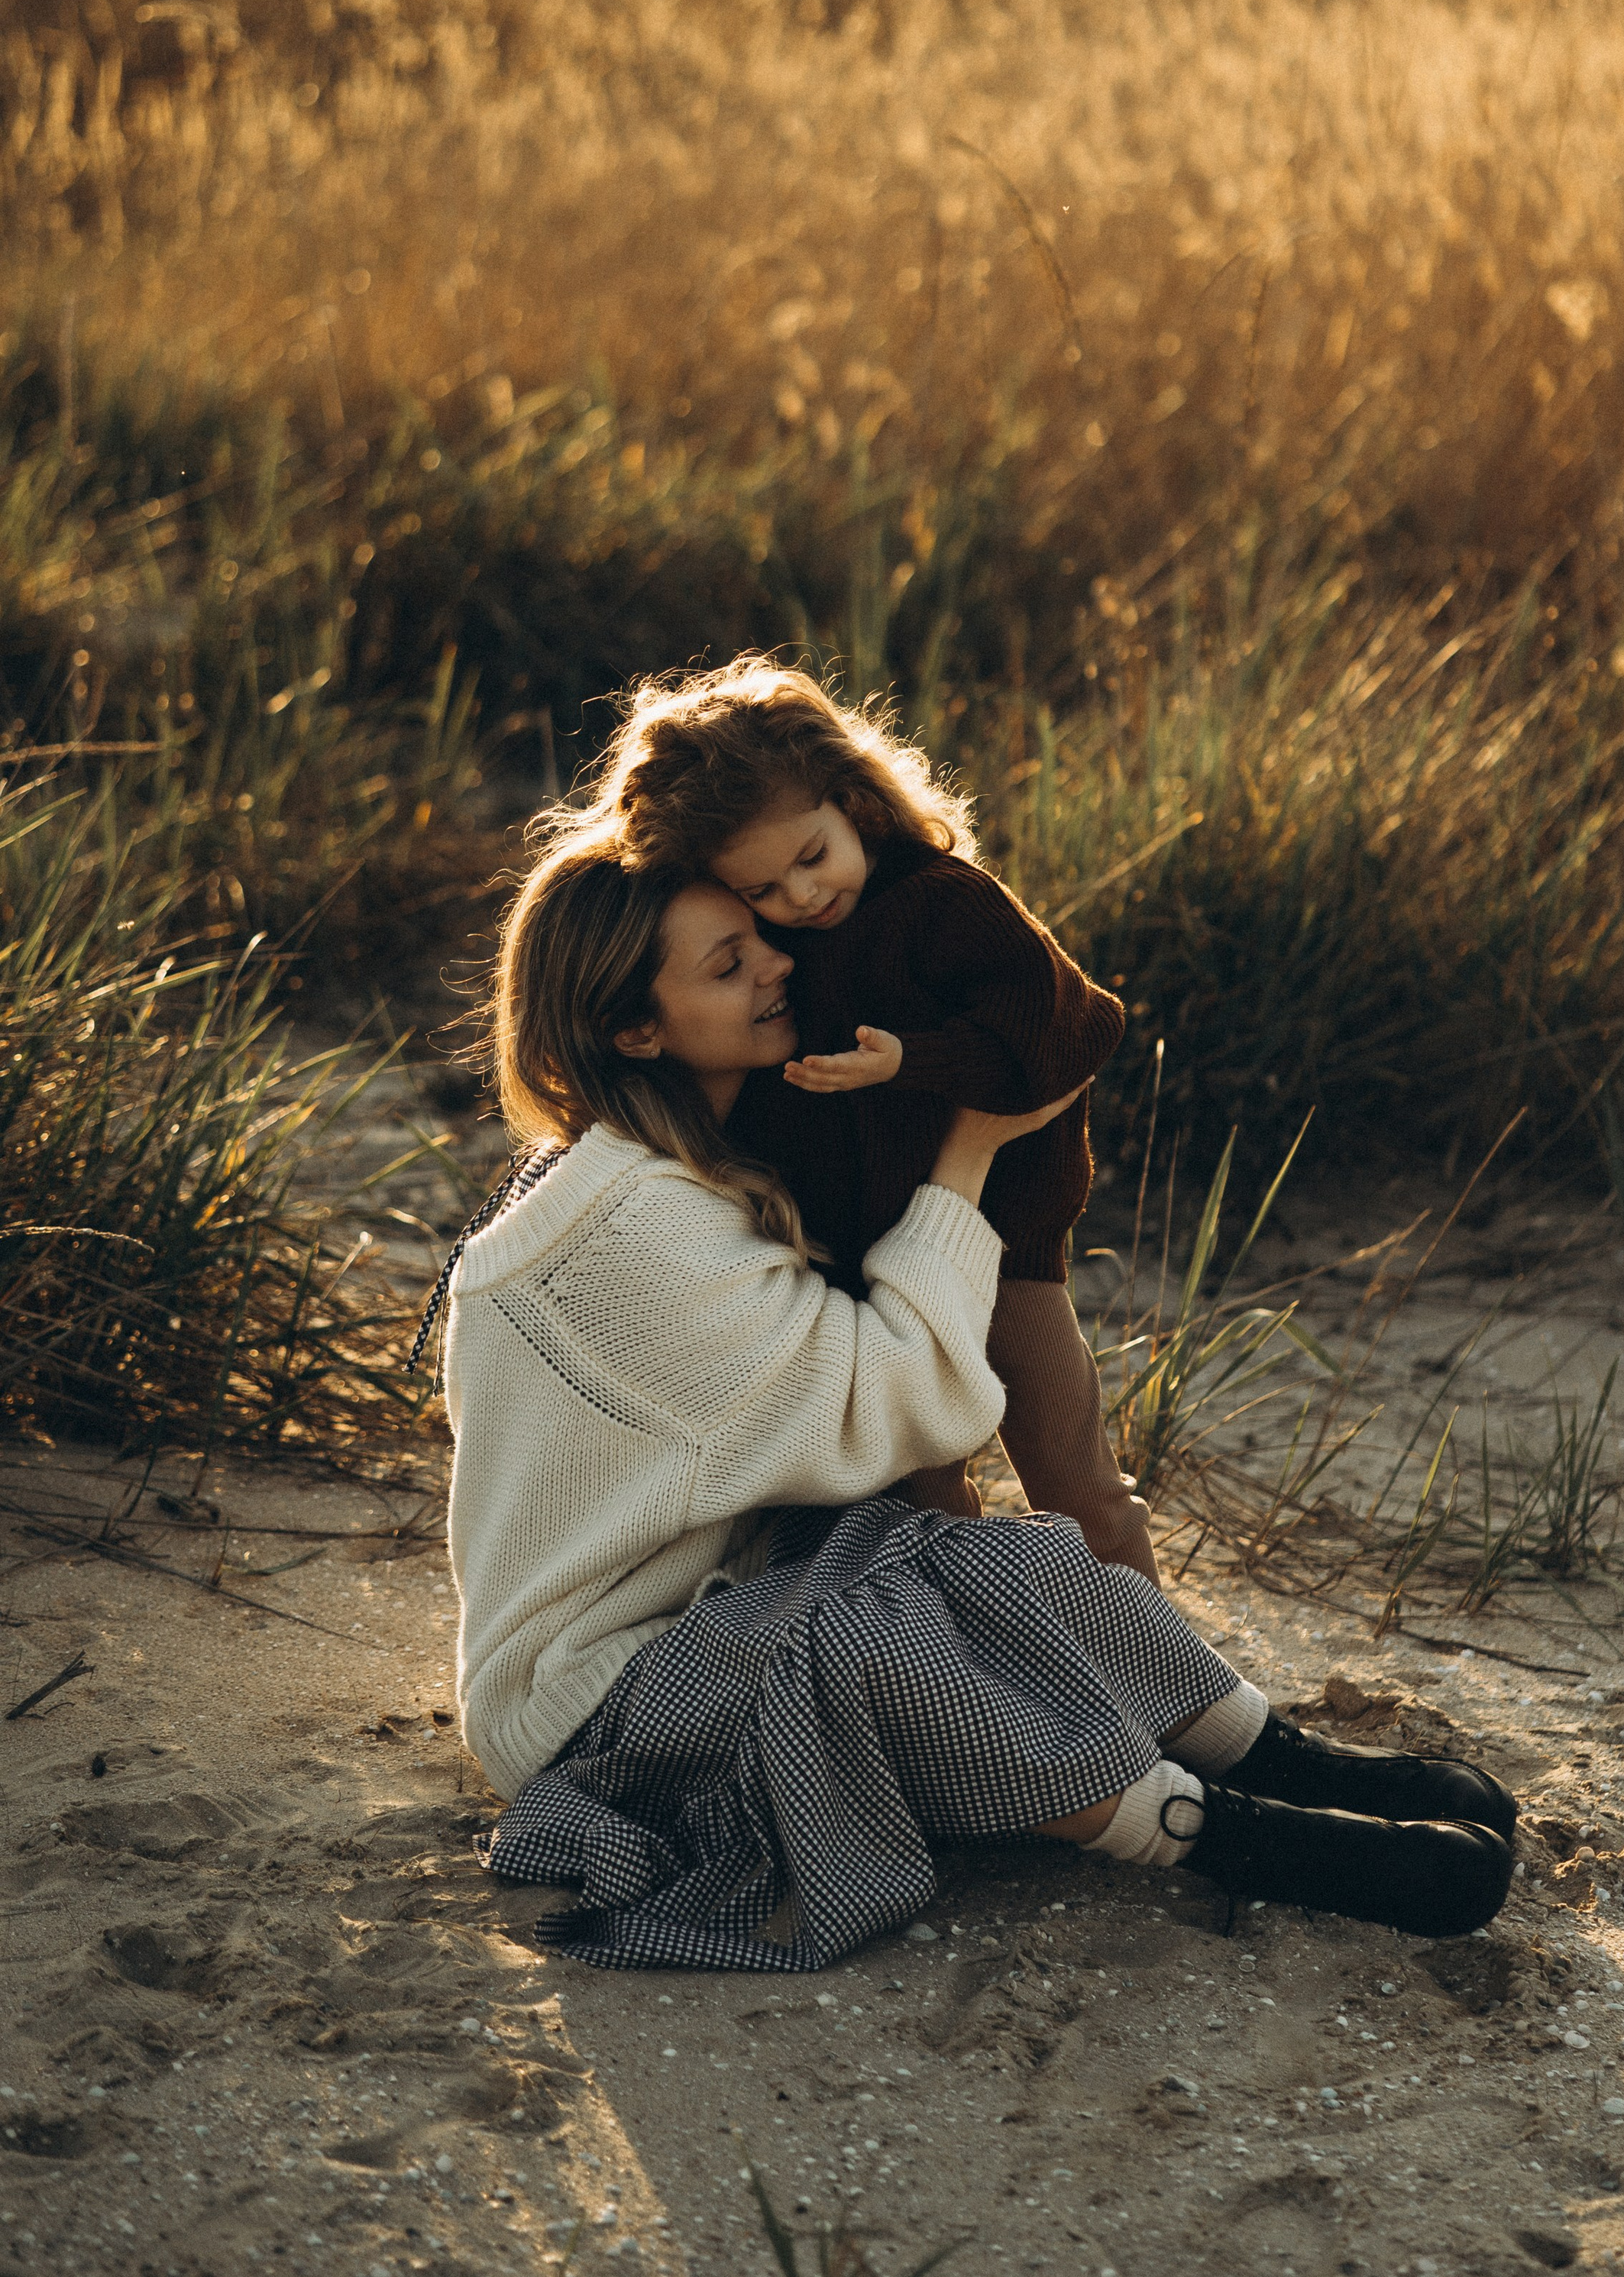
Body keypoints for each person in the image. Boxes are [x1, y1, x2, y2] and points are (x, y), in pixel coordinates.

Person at [432, 803, 1517, 1976]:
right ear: (637, 1029)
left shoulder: (664, 1173)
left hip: (708, 1616)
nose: (779, 964)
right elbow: (907, 1396)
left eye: (761, 942)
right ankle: (1226, 1835)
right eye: (730, 962)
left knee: (974, 1556)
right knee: (856, 1635)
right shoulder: (630, 1228)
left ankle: (1258, 1750)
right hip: (584, 1703)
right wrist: (967, 1149)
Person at [581, 656, 1157, 1582]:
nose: (801, 899)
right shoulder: (777, 944)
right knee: (917, 1503)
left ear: (856, 801)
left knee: (1075, 1480)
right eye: (763, 890)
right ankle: (983, 1663)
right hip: (860, 1270)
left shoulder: (944, 903)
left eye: (811, 859)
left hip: (1001, 1245)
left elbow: (1076, 1025)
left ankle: (1167, 1684)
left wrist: (914, 1061)